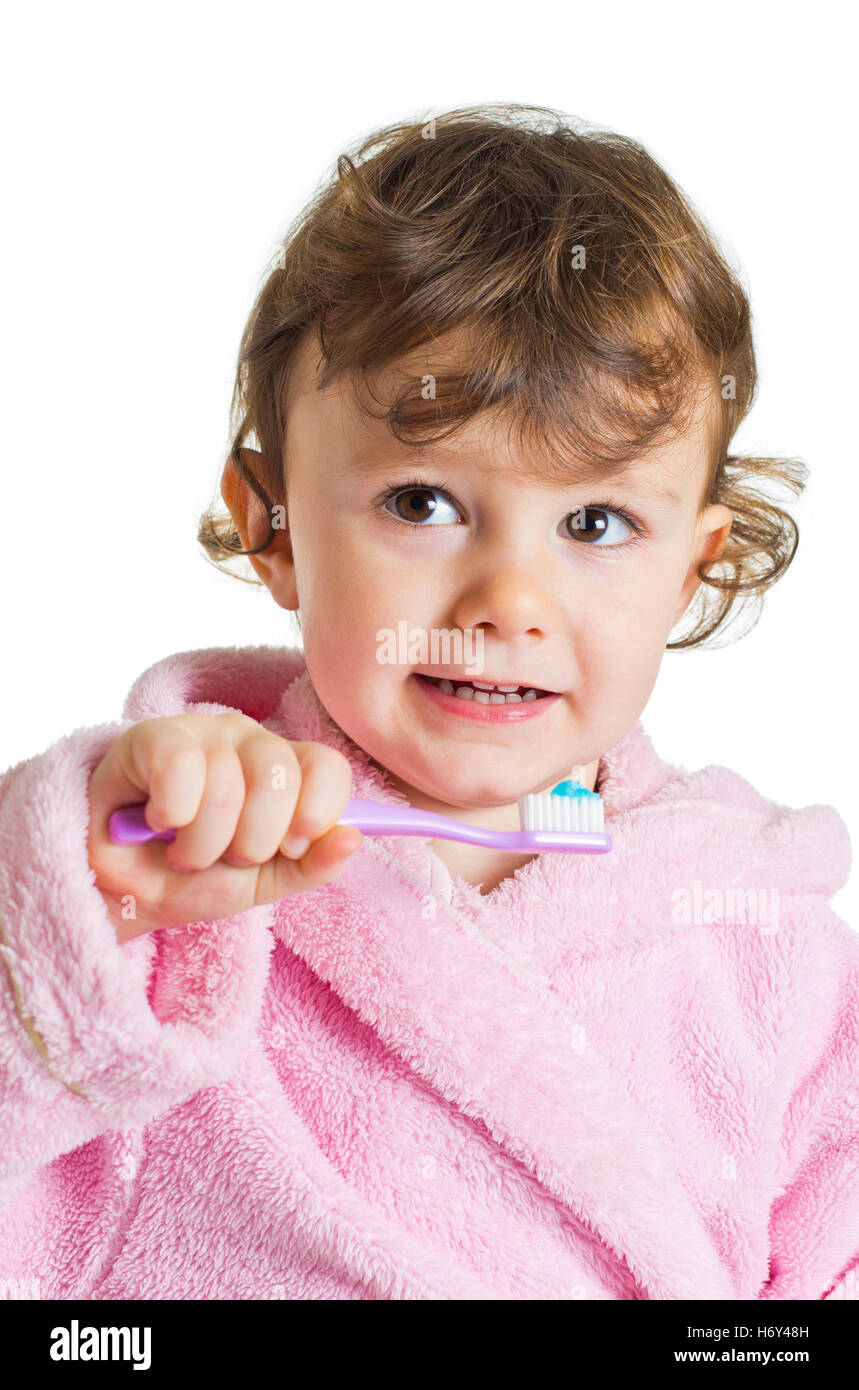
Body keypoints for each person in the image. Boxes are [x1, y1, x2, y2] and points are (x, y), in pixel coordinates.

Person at [0, 104, 855, 1301]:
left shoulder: (773, 949)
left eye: (595, 521)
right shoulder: (174, 867)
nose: (509, 601)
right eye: (421, 502)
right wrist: (82, 909)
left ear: (689, 569)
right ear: (273, 528)